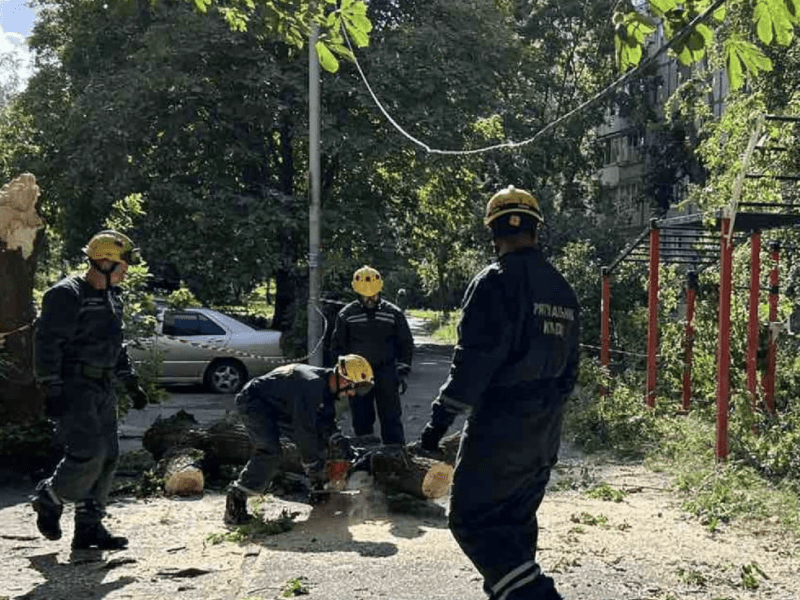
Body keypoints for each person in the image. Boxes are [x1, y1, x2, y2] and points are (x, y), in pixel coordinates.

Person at [416, 186, 580, 600]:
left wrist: (437, 426)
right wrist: (547, 419)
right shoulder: (561, 288)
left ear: (493, 233)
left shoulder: (494, 283)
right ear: (536, 231)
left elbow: (472, 363)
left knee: (471, 519)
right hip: (545, 428)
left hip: (501, 425)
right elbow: (571, 368)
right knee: (514, 522)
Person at [32, 230, 150, 550]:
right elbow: (47, 344)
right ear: (103, 262)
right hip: (73, 385)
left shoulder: (113, 295)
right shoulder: (66, 294)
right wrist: (51, 387)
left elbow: (116, 344)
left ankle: (89, 528)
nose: (126, 270)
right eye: (123, 264)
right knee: (89, 453)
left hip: (102, 384)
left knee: (109, 456)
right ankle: (49, 497)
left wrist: (130, 381)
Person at [224, 354, 374, 525]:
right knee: (269, 451)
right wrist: (313, 464)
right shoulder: (311, 386)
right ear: (345, 379)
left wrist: (338, 440)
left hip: (281, 406)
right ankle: (236, 499)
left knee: (323, 442)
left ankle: (319, 492)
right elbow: (304, 430)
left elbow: (325, 422)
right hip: (255, 402)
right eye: (353, 387)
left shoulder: (326, 387)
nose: (352, 393)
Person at [330, 265, 414, 445]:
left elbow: (406, 343)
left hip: (386, 371)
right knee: (361, 419)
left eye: (373, 295)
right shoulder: (347, 315)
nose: (369, 299)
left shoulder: (393, 313)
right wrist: (343, 376)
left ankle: (396, 455)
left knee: (391, 417)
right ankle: (364, 457)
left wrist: (403, 371)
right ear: (357, 292)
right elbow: (337, 347)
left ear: (379, 290)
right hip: (357, 375)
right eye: (365, 296)